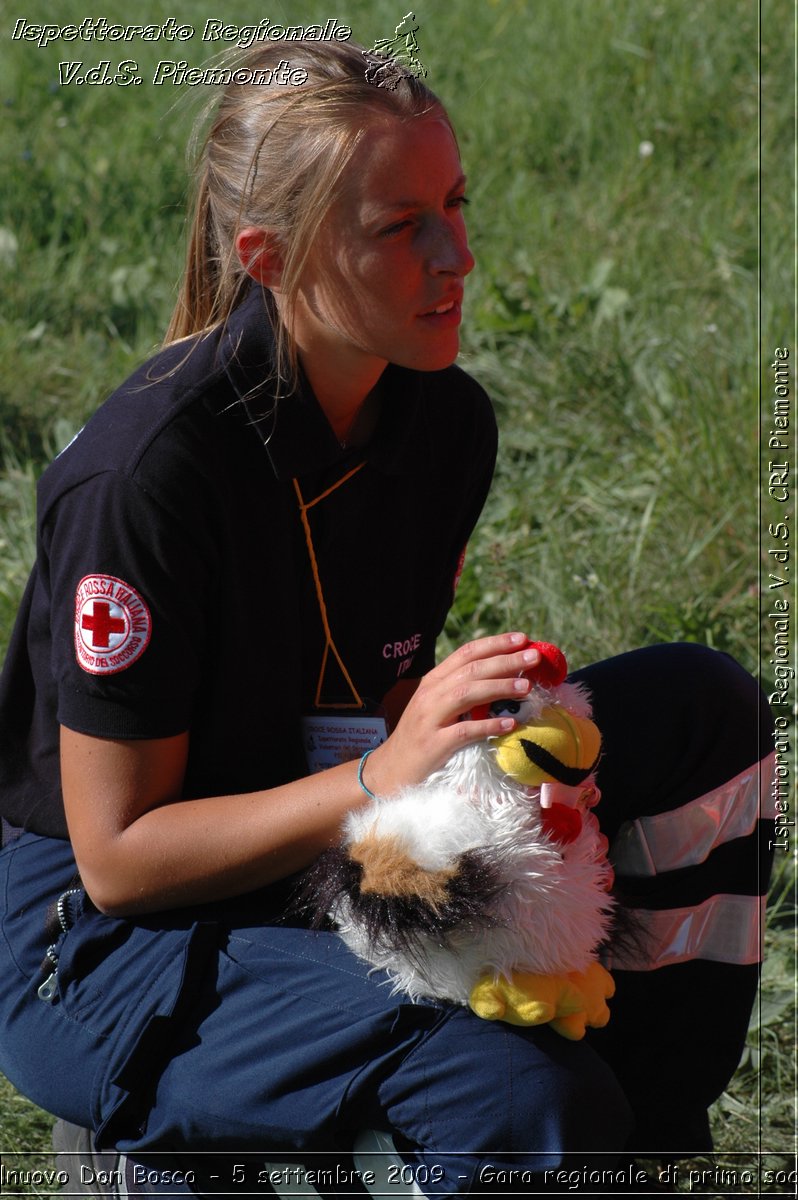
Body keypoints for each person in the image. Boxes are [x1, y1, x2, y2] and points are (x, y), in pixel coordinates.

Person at [0, 38, 774, 1198]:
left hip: (326, 851)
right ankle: (175, 1157)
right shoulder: (145, 479)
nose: (456, 254)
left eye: (455, 203)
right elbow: (118, 861)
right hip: (106, 947)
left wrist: (481, 762)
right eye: (396, 225)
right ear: (268, 256)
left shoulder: (442, 420)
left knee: (704, 714)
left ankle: (642, 1137)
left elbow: (363, 699)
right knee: (519, 1102)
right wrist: (387, 779)